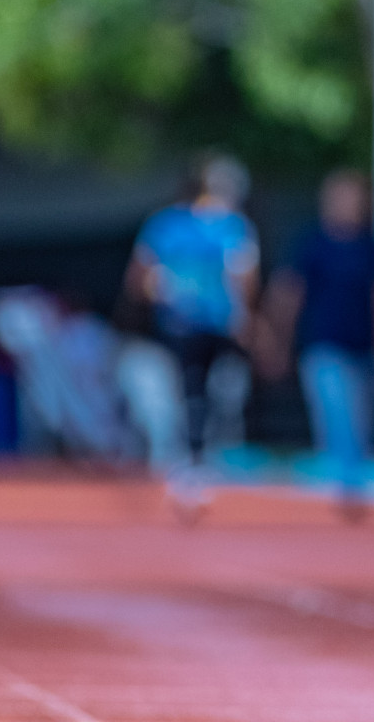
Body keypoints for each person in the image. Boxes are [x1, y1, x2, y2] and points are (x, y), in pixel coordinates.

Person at [126, 155, 259, 518]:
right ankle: (190, 460)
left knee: (213, 392)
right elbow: (141, 277)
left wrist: (242, 317)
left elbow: (242, 275)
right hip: (183, 325)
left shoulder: (231, 226)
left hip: (215, 325)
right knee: (191, 391)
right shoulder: (172, 224)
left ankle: (200, 457)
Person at [259, 170, 374, 519]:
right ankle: (348, 486)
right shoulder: (312, 244)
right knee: (337, 413)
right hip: (323, 346)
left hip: (361, 347)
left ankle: (350, 482)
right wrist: (278, 341)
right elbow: (288, 294)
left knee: (359, 417)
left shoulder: (371, 245)